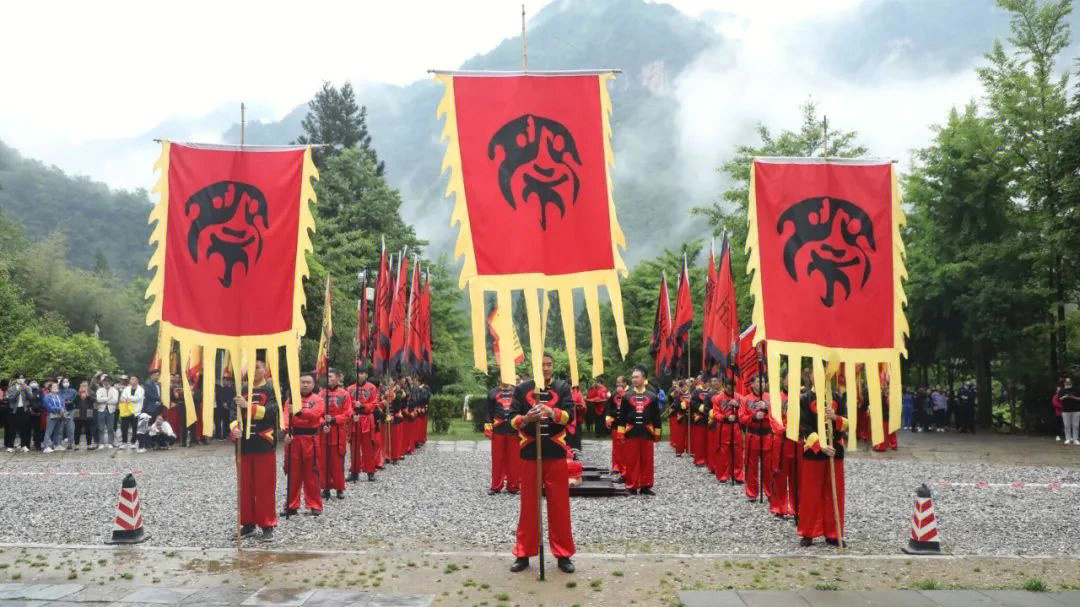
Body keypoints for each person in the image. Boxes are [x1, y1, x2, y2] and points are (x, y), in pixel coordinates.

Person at [508, 352, 576, 574]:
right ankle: (524, 553)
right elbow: (512, 419)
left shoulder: (562, 388)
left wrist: (552, 412)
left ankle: (563, 554)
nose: (546, 368)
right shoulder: (522, 389)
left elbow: (570, 415)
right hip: (529, 453)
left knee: (559, 506)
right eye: (542, 364)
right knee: (528, 506)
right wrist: (527, 418)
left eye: (549, 365)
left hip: (555, 452)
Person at [231, 357, 280, 541]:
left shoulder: (272, 389)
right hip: (243, 445)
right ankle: (248, 523)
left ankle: (267, 524)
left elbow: (272, 412)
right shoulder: (241, 390)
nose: (253, 370)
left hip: (264, 443)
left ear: (264, 368)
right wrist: (234, 428)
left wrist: (248, 407)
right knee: (245, 487)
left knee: (265, 486)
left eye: (257, 367)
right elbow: (232, 413)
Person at [798, 381, 847, 547]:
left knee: (834, 492)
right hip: (814, 451)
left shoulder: (838, 397)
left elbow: (847, 422)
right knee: (811, 493)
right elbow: (804, 426)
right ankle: (808, 532)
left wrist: (836, 418)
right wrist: (821, 445)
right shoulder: (805, 399)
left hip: (835, 450)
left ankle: (834, 533)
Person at [283, 371, 325, 516]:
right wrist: (286, 431)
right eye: (302, 382)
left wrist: (299, 412)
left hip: (311, 440)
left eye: (308, 382)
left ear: (313, 385)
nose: (305, 384)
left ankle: (314, 504)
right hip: (294, 439)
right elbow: (286, 417)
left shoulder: (318, 399)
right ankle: (291, 505)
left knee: (311, 472)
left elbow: (315, 415)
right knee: (293, 473)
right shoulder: (291, 400)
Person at [617, 366, 661, 495]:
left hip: (647, 432)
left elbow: (656, 417)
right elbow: (622, 417)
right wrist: (620, 433)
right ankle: (632, 485)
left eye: (636, 377)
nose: (634, 379)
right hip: (631, 432)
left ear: (644, 378)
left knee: (647, 460)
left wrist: (657, 433)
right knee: (631, 460)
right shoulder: (627, 396)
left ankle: (646, 486)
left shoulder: (652, 396)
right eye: (633, 377)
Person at [320, 368, 353, 499]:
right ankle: (325, 487)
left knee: (337, 461)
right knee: (324, 460)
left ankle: (339, 487)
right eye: (327, 376)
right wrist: (323, 422)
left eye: (331, 376)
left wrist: (334, 419)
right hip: (325, 431)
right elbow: (318, 413)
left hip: (338, 431)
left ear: (338, 379)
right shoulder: (321, 394)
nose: (329, 379)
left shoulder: (344, 394)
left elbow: (348, 413)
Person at [485, 380, 521, 495]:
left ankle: (513, 486)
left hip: (514, 429)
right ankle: (496, 485)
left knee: (514, 460)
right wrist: (487, 425)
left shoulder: (517, 392)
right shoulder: (492, 393)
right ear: (499, 376)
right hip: (498, 429)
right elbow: (488, 411)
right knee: (497, 459)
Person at [739, 376, 771, 500]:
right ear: (752, 384)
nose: (761, 383)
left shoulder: (770, 398)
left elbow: (777, 416)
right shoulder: (746, 399)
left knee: (768, 465)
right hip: (752, 435)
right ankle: (752, 492)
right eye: (758, 381)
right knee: (751, 464)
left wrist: (767, 409)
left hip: (767, 435)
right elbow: (741, 417)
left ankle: (769, 492)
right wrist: (754, 417)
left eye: (763, 381)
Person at [768, 385, 797, 517]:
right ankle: (779, 506)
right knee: (779, 473)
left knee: (796, 475)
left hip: (796, 440)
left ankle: (796, 507)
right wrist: (783, 430)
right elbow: (773, 419)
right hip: (781, 440)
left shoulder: (800, 397)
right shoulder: (776, 399)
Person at [347, 367, 379, 482]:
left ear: (366, 375)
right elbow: (347, 405)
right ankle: (354, 472)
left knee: (368, 447)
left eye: (363, 373)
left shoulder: (372, 388)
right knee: (354, 447)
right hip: (355, 419)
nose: (360, 376)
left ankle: (370, 471)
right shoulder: (350, 389)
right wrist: (351, 414)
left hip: (366, 419)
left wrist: (362, 406)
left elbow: (374, 403)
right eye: (358, 373)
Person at [712, 377, 743, 483]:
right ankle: (723, 475)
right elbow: (716, 413)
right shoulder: (717, 398)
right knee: (723, 451)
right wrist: (725, 417)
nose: (730, 391)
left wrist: (738, 406)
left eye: (732, 389)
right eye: (728, 388)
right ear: (724, 386)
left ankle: (738, 475)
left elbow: (745, 412)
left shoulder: (739, 398)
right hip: (724, 427)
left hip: (736, 427)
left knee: (738, 451)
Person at [605, 377, 627, 478]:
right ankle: (616, 467)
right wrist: (608, 418)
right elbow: (609, 407)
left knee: (624, 447)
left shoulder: (629, 394)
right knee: (616, 447)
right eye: (617, 382)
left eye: (620, 382)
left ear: (625, 383)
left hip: (626, 424)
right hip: (615, 423)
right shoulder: (614, 394)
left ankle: (625, 467)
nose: (618, 384)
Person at [5, 374, 33, 452]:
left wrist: (26, 390)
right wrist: (18, 391)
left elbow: (31, 397)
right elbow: (11, 398)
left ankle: (23, 445)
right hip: (14, 410)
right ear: (17, 379)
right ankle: (10, 445)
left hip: (24, 409)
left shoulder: (28, 388)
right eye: (20, 378)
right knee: (12, 428)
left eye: (23, 378)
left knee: (24, 428)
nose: (21, 379)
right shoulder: (12, 388)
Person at [688, 376, 711, 467]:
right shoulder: (696, 391)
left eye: (707, 381)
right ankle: (699, 459)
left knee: (709, 440)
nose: (705, 383)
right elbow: (693, 403)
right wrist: (700, 408)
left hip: (709, 417)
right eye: (703, 381)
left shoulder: (711, 391)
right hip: (699, 418)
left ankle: (709, 459)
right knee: (699, 440)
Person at [118, 376, 144, 448]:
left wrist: (129, 398)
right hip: (126, 410)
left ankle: (133, 442)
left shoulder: (141, 389)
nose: (131, 380)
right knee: (124, 427)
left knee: (135, 427)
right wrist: (126, 399)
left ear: (137, 381)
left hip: (136, 411)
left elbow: (138, 398)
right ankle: (124, 442)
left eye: (133, 379)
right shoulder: (126, 389)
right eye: (131, 379)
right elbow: (122, 397)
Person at [94, 375, 118, 448]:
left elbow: (115, 401)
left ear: (110, 382)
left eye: (107, 381)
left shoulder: (115, 390)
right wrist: (108, 398)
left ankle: (110, 443)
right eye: (104, 381)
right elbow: (98, 399)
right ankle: (101, 443)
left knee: (110, 428)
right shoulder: (99, 390)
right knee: (101, 428)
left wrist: (104, 400)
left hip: (111, 411)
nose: (106, 383)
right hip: (101, 410)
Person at [71, 381, 97, 449]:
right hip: (78, 414)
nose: (83, 387)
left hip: (88, 414)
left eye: (85, 386)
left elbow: (94, 400)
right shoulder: (77, 394)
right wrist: (78, 395)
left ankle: (89, 444)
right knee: (77, 430)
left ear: (87, 386)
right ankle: (76, 444)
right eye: (82, 385)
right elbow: (73, 402)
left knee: (88, 430)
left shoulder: (91, 393)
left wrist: (87, 395)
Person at [41, 381, 65, 453]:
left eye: (56, 387)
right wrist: (58, 409)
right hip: (51, 415)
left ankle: (56, 444)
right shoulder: (47, 396)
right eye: (54, 387)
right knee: (49, 431)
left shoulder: (59, 396)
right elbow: (48, 406)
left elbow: (63, 403)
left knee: (58, 430)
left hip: (59, 415)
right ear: (50, 388)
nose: (55, 388)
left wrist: (62, 409)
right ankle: (46, 446)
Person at [668, 379, 689, 456]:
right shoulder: (677, 395)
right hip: (681, 415)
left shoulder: (690, 394)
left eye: (686, 386)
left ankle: (689, 449)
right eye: (683, 386)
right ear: (681, 387)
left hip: (690, 415)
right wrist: (682, 405)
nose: (685, 388)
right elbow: (675, 405)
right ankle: (679, 450)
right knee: (680, 434)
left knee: (689, 434)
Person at [1058, 377, 1080, 446]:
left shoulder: (1076, 389)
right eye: (1066, 382)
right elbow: (1060, 398)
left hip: (1076, 409)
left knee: (1075, 425)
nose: (1068, 383)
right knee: (1067, 425)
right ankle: (1068, 438)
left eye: (1069, 381)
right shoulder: (1062, 390)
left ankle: (1075, 439)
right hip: (1065, 410)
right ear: (1064, 382)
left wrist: (1072, 397)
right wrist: (1065, 397)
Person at [59, 378, 76, 449]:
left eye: (67, 381)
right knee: (60, 428)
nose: (66, 383)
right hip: (62, 410)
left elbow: (75, 400)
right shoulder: (59, 392)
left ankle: (70, 443)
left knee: (70, 427)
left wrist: (70, 402)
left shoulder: (73, 391)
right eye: (64, 382)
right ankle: (59, 444)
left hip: (71, 410)